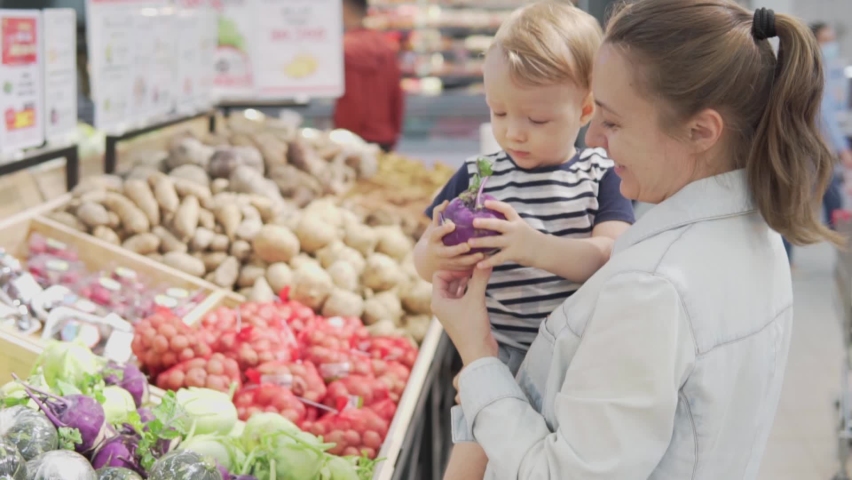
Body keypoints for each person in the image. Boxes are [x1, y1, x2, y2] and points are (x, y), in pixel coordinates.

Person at [431, 1, 843, 478]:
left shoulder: (653, 287)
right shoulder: (755, 232)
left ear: (700, 131)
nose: (592, 140)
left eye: (613, 120)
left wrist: (479, 355)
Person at [415, 1, 634, 373]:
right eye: (498, 112)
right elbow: (421, 260)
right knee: (479, 429)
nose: (513, 131)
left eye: (536, 119)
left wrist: (533, 247)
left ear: (585, 110)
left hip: (577, 357)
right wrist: (435, 255)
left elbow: (610, 257)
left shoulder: (601, 174)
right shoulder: (476, 178)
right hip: (494, 355)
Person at [783, 21, 850, 260]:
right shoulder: (813, 72)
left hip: (815, 149)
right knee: (797, 202)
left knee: (814, 198)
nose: (830, 45)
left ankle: (839, 244)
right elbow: (825, 115)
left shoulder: (821, 70)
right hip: (809, 150)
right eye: (826, 40)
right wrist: (842, 149)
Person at [333, 0, 404, 152]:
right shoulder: (386, 47)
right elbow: (397, 95)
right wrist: (394, 133)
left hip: (349, 138)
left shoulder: (342, 49)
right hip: (384, 134)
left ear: (344, 9)